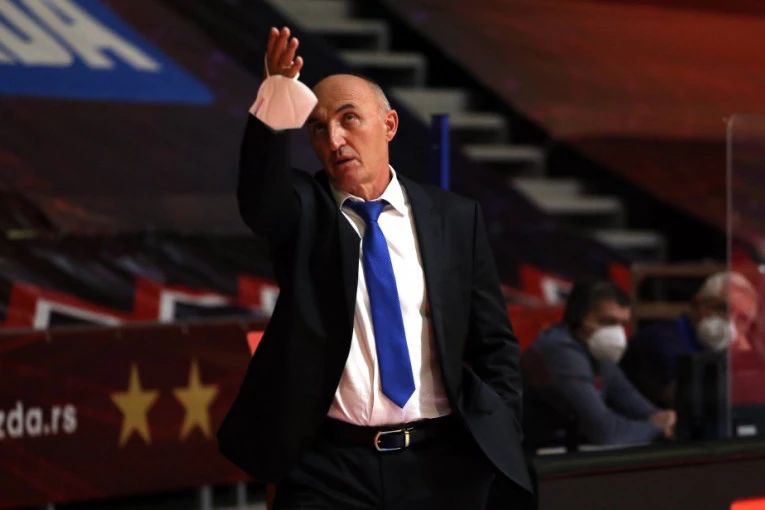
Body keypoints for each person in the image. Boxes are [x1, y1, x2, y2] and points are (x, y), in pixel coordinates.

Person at [217, 27, 532, 509]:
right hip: (330, 468)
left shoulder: (453, 217)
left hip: (441, 465)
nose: (334, 139)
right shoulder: (305, 210)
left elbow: (494, 343)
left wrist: (501, 428)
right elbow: (261, 196)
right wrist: (277, 94)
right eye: (318, 128)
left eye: (349, 118)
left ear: (389, 125)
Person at [521, 280, 675, 450]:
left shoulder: (596, 350)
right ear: (579, 319)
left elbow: (633, 402)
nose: (616, 333)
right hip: (532, 456)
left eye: (623, 324)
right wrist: (659, 430)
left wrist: (664, 419)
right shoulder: (559, 350)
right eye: (608, 322)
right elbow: (604, 431)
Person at [621, 271, 758, 408]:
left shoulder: (724, 349)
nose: (730, 322)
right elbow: (686, 400)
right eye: (723, 309)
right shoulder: (658, 341)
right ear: (696, 306)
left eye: (741, 319)